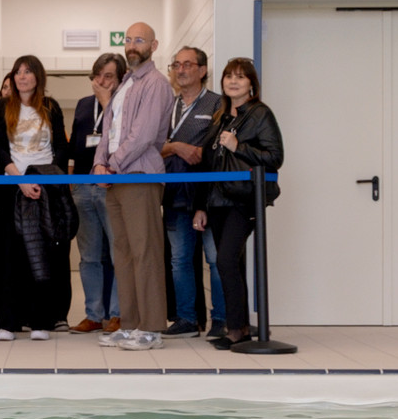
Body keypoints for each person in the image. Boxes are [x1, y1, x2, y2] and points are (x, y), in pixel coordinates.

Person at [92, 22, 173, 351]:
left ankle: (151, 328)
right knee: (123, 254)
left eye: (139, 40)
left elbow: (143, 134)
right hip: (116, 178)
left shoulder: (156, 83)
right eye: (128, 40)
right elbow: (108, 131)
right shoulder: (125, 83)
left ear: (153, 45)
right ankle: (130, 324)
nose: (132, 45)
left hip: (138, 175)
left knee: (145, 253)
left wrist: (114, 164)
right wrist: (99, 163)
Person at [193, 57, 284, 349]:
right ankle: (240, 326)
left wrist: (238, 146)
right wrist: (201, 205)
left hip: (243, 199)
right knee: (231, 263)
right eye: (229, 76)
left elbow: (274, 157)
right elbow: (208, 164)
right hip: (218, 200)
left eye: (240, 77)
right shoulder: (221, 116)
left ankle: (236, 330)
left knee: (225, 261)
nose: (233, 81)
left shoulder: (260, 114)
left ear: (251, 84)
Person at [0, 55, 74, 341]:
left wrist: (45, 177)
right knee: (9, 257)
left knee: (42, 256)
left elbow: (61, 147)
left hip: (45, 186)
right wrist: (20, 179)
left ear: (38, 76)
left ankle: (41, 321)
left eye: (28, 72)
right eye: (17, 72)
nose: (22, 77)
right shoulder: (3, 106)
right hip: (12, 186)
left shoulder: (51, 106)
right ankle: (7, 323)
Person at [158, 45, 226, 339]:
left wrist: (201, 151)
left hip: (209, 195)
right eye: (176, 65)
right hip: (174, 194)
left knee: (216, 259)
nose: (181, 70)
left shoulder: (216, 104)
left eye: (188, 64)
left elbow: (222, 148)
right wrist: (176, 147)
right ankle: (187, 319)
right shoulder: (166, 107)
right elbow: (151, 147)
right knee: (180, 260)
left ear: (202, 70)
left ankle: (222, 319)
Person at [68, 53, 122, 333]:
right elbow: (77, 144)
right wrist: (72, 179)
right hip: (82, 186)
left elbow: (120, 139)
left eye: (109, 76)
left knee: (117, 252)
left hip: (110, 185)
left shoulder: (124, 104)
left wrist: (107, 103)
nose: (100, 81)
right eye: (97, 75)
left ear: (120, 79)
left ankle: (117, 314)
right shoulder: (82, 105)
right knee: (88, 256)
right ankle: (93, 314)